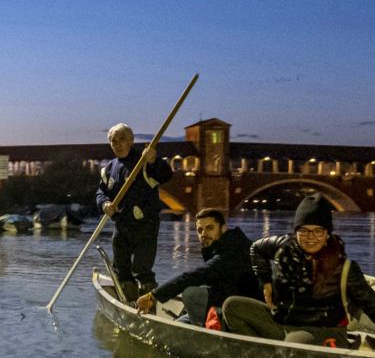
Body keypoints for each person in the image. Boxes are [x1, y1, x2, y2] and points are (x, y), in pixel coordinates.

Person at [222, 193, 375, 347]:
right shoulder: (282, 246)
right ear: (296, 231)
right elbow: (256, 249)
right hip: (281, 322)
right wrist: (265, 281)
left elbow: (371, 303)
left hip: (321, 330)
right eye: (304, 231)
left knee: (296, 344)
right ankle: (263, 353)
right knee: (232, 306)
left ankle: (277, 354)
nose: (311, 237)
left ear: (327, 234)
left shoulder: (343, 268)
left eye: (318, 231)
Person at [135, 208, 259, 327]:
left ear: (223, 228)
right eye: (200, 230)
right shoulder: (229, 243)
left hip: (244, 312)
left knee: (192, 294)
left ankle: (204, 332)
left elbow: (199, 274)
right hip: (229, 300)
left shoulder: (233, 251)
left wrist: (154, 296)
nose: (204, 234)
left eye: (210, 228)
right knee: (181, 320)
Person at [96, 123, 173, 300]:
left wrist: (154, 160)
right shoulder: (109, 169)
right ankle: (127, 299)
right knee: (121, 267)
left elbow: (166, 175)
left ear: (131, 141)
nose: (118, 144)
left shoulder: (144, 162)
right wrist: (104, 203)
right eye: (113, 141)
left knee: (141, 268)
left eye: (122, 139)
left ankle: (148, 303)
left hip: (145, 225)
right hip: (121, 224)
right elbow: (100, 192)